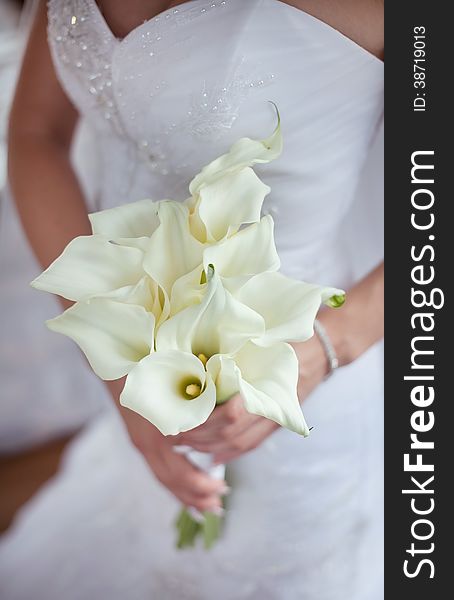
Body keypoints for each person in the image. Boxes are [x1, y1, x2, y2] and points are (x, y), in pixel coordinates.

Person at [4, 1, 384, 598]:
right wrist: (120, 366)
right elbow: (35, 134)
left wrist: (327, 348)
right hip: (141, 380)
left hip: (297, 392)